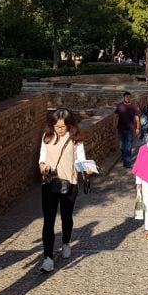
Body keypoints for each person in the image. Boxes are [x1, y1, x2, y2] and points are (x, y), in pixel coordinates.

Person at [37, 108, 92, 272]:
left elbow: (80, 159)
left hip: (69, 183)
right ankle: (48, 258)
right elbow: (41, 158)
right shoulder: (47, 137)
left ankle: (66, 242)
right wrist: (43, 166)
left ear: (69, 125)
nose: (60, 130)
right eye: (57, 126)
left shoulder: (75, 139)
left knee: (66, 217)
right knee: (48, 221)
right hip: (49, 183)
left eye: (63, 127)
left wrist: (86, 169)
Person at [114, 92, 140, 168]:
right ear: (124, 97)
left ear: (130, 98)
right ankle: (124, 157)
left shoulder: (133, 106)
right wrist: (114, 124)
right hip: (120, 128)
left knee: (128, 146)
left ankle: (127, 162)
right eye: (126, 97)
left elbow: (137, 117)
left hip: (130, 129)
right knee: (121, 145)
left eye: (129, 97)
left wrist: (138, 127)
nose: (128, 98)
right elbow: (115, 115)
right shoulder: (120, 106)